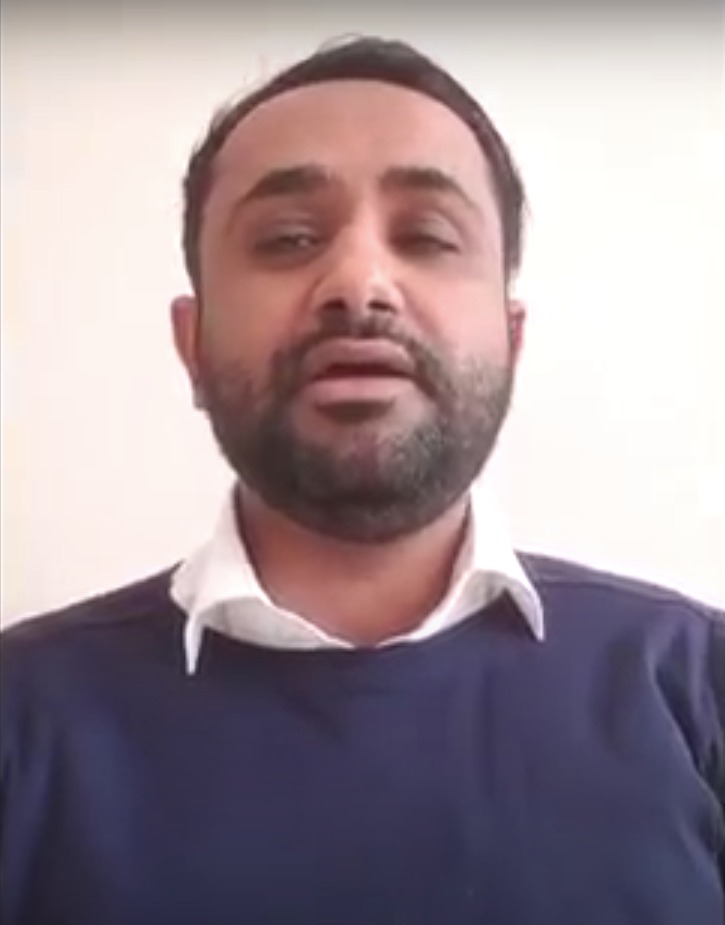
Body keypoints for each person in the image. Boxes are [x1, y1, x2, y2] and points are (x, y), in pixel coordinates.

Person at [1, 35, 723, 925]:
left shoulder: (700, 687)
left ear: (511, 340)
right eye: (288, 239)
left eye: (426, 236)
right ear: (192, 345)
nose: (358, 282)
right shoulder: (19, 714)